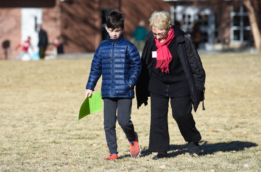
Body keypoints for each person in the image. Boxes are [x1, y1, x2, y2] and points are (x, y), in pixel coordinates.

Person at [136, 11, 206, 160]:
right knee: (158, 117)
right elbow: (145, 62)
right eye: (154, 33)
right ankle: (161, 150)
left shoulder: (182, 39)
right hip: (158, 82)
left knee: (181, 114)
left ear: (169, 28)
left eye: (160, 33)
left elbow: (195, 65)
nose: (157, 37)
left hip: (180, 82)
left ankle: (193, 140)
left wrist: (199, 86)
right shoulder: (151, 39)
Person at [85, 9, 142, 161]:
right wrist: (90, 86)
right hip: (108, 92)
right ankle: (113, 153)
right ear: (106, 29)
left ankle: (132, 139)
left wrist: (130, 83)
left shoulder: (129, 47)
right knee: (108, 124)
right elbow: (96, 68)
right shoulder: (102, 48)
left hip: (125, 91)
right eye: (111, 30)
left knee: (124, 121)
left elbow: (137, 66)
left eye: (117, 30)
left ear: (122, 29)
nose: (114, 33)